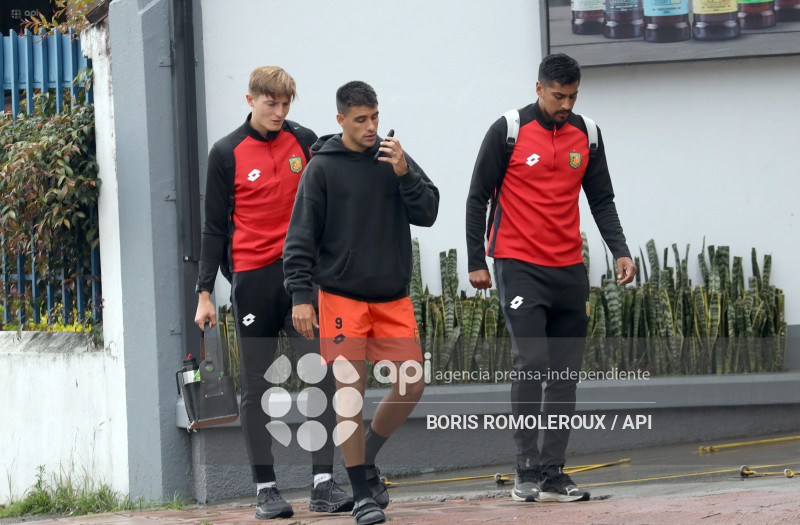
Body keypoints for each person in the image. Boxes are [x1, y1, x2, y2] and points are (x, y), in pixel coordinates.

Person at [465, 53, 636, 504]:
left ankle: (553, 472)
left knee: (564, 372)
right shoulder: (509, 130)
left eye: (573, 96)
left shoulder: (589, 134)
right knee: (532, 360)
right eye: (558, 95)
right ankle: (524, 467)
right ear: (538, 88)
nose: (565, 104)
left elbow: (601, 199)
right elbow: (478, 196)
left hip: (568, 270)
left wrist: (619, 250)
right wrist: (475, 260)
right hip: (517, 264)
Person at [194, 66, 354, 520]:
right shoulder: (225, 153)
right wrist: (205, 292)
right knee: (258, 386)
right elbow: (212, 229)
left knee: (320, 375)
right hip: (253, 279)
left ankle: (323, 484)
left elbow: (338, 186)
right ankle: (266, 489)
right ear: (251, 100)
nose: (280, 112)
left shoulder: (304, 141)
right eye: (271, 104)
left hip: (302, 280)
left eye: (286, 104)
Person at [283, 81, 439, 525]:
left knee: (412, 383)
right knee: (349, 394)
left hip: (392, 297)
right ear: (341, 121)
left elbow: (428, 212)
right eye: (360, 120)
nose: (371, 127)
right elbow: (301, 237)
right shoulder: (322, 168)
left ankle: (366, 459)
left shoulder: (393, 157)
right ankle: (360, 495)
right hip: (341, 297)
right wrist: (301, 295)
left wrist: (405, 171)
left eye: (374, 117)